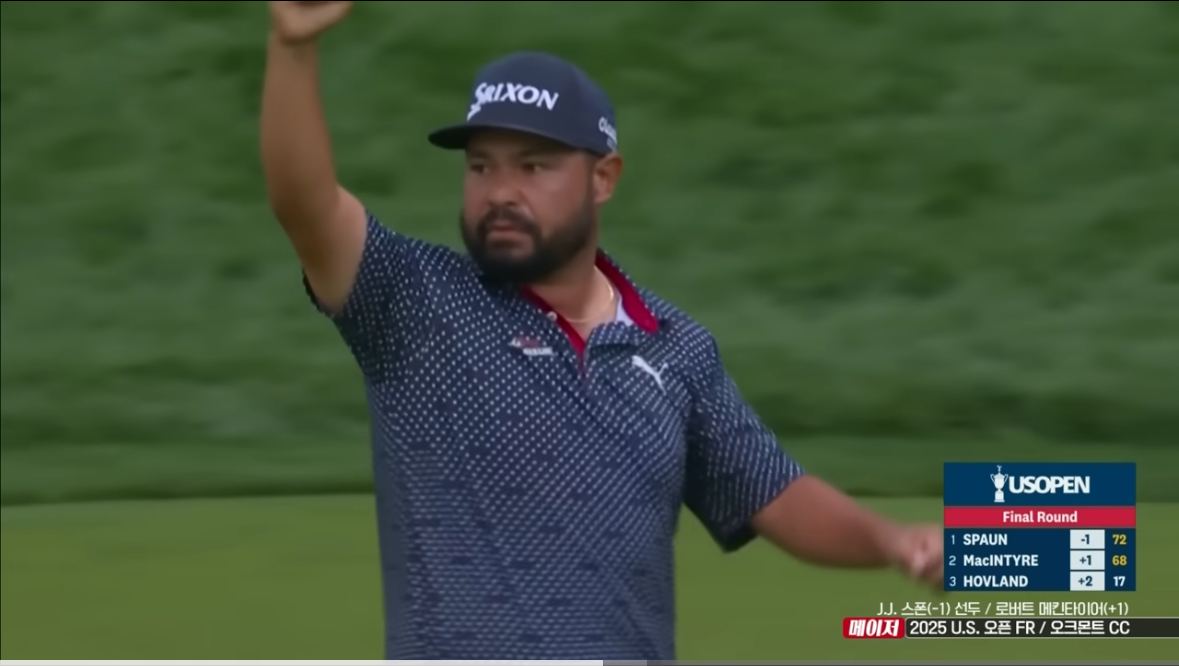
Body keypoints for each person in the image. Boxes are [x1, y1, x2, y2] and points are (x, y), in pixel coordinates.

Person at [262, 1, 943, 660]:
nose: (500, 191)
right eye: (480, 166)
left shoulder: (673, 347)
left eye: (533, 166)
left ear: (603, 178)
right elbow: (305, 202)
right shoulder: (414, 304)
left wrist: (888, 541)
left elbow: (773, 493)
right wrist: (293, 48)